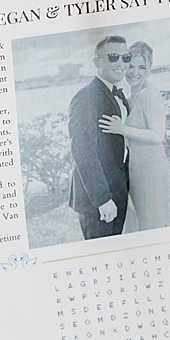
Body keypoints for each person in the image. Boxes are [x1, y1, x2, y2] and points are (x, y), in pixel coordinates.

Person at [96, 40, 170, 231]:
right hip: (134, 170)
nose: (135, 72)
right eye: (131, 66)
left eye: (142, 67)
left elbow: (157, 135)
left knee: (151, 224)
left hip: (151, 170)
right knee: (136, 224)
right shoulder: (130, 96)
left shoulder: (150, 94)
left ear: (150, 68)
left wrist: (122, 129)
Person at [66, 35, 133, 240]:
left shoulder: (114, 92)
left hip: (117, 188)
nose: (120, 63)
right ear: (97, 62)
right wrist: (103, 199)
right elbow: (83, 151)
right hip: (98, 199)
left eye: (125, 57)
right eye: (113, 57)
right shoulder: (86, 96)